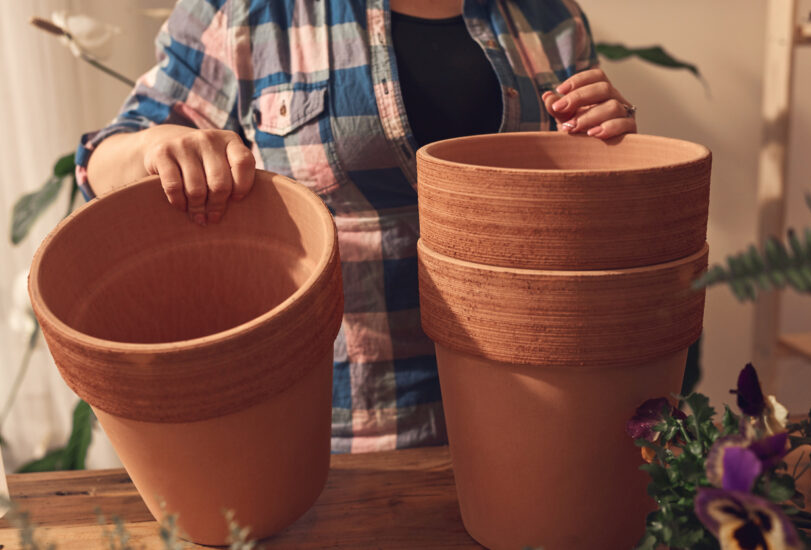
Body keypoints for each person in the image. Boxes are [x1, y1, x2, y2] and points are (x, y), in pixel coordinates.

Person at [76, 0, 637, 453]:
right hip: (343, 424)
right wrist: (157, 146)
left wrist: (616, 146)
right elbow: (101, 164)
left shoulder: (548, 16)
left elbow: (592, 214)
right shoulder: (247, 12)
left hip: (538, 402)